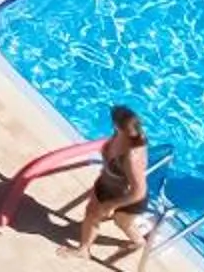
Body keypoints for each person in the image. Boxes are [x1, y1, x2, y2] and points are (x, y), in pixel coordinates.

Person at [64, 106, 149, 259]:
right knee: (101, 217)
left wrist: (112, 205)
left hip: (125, 198)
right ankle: (138, 242)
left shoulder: (131, 157)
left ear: (117, 125)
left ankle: (84, 251)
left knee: (113, 221)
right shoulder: (123, 135)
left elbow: (139, 191)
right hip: (106, 186)